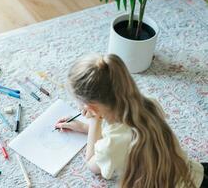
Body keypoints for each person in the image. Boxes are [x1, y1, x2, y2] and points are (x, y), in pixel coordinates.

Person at [55, 54, 207, 188]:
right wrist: (84, 127)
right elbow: (126, 135)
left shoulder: (111, 146)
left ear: (92, 108)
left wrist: (95, 121)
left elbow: (92, 165)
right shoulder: (149, 103)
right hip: (195, 174)